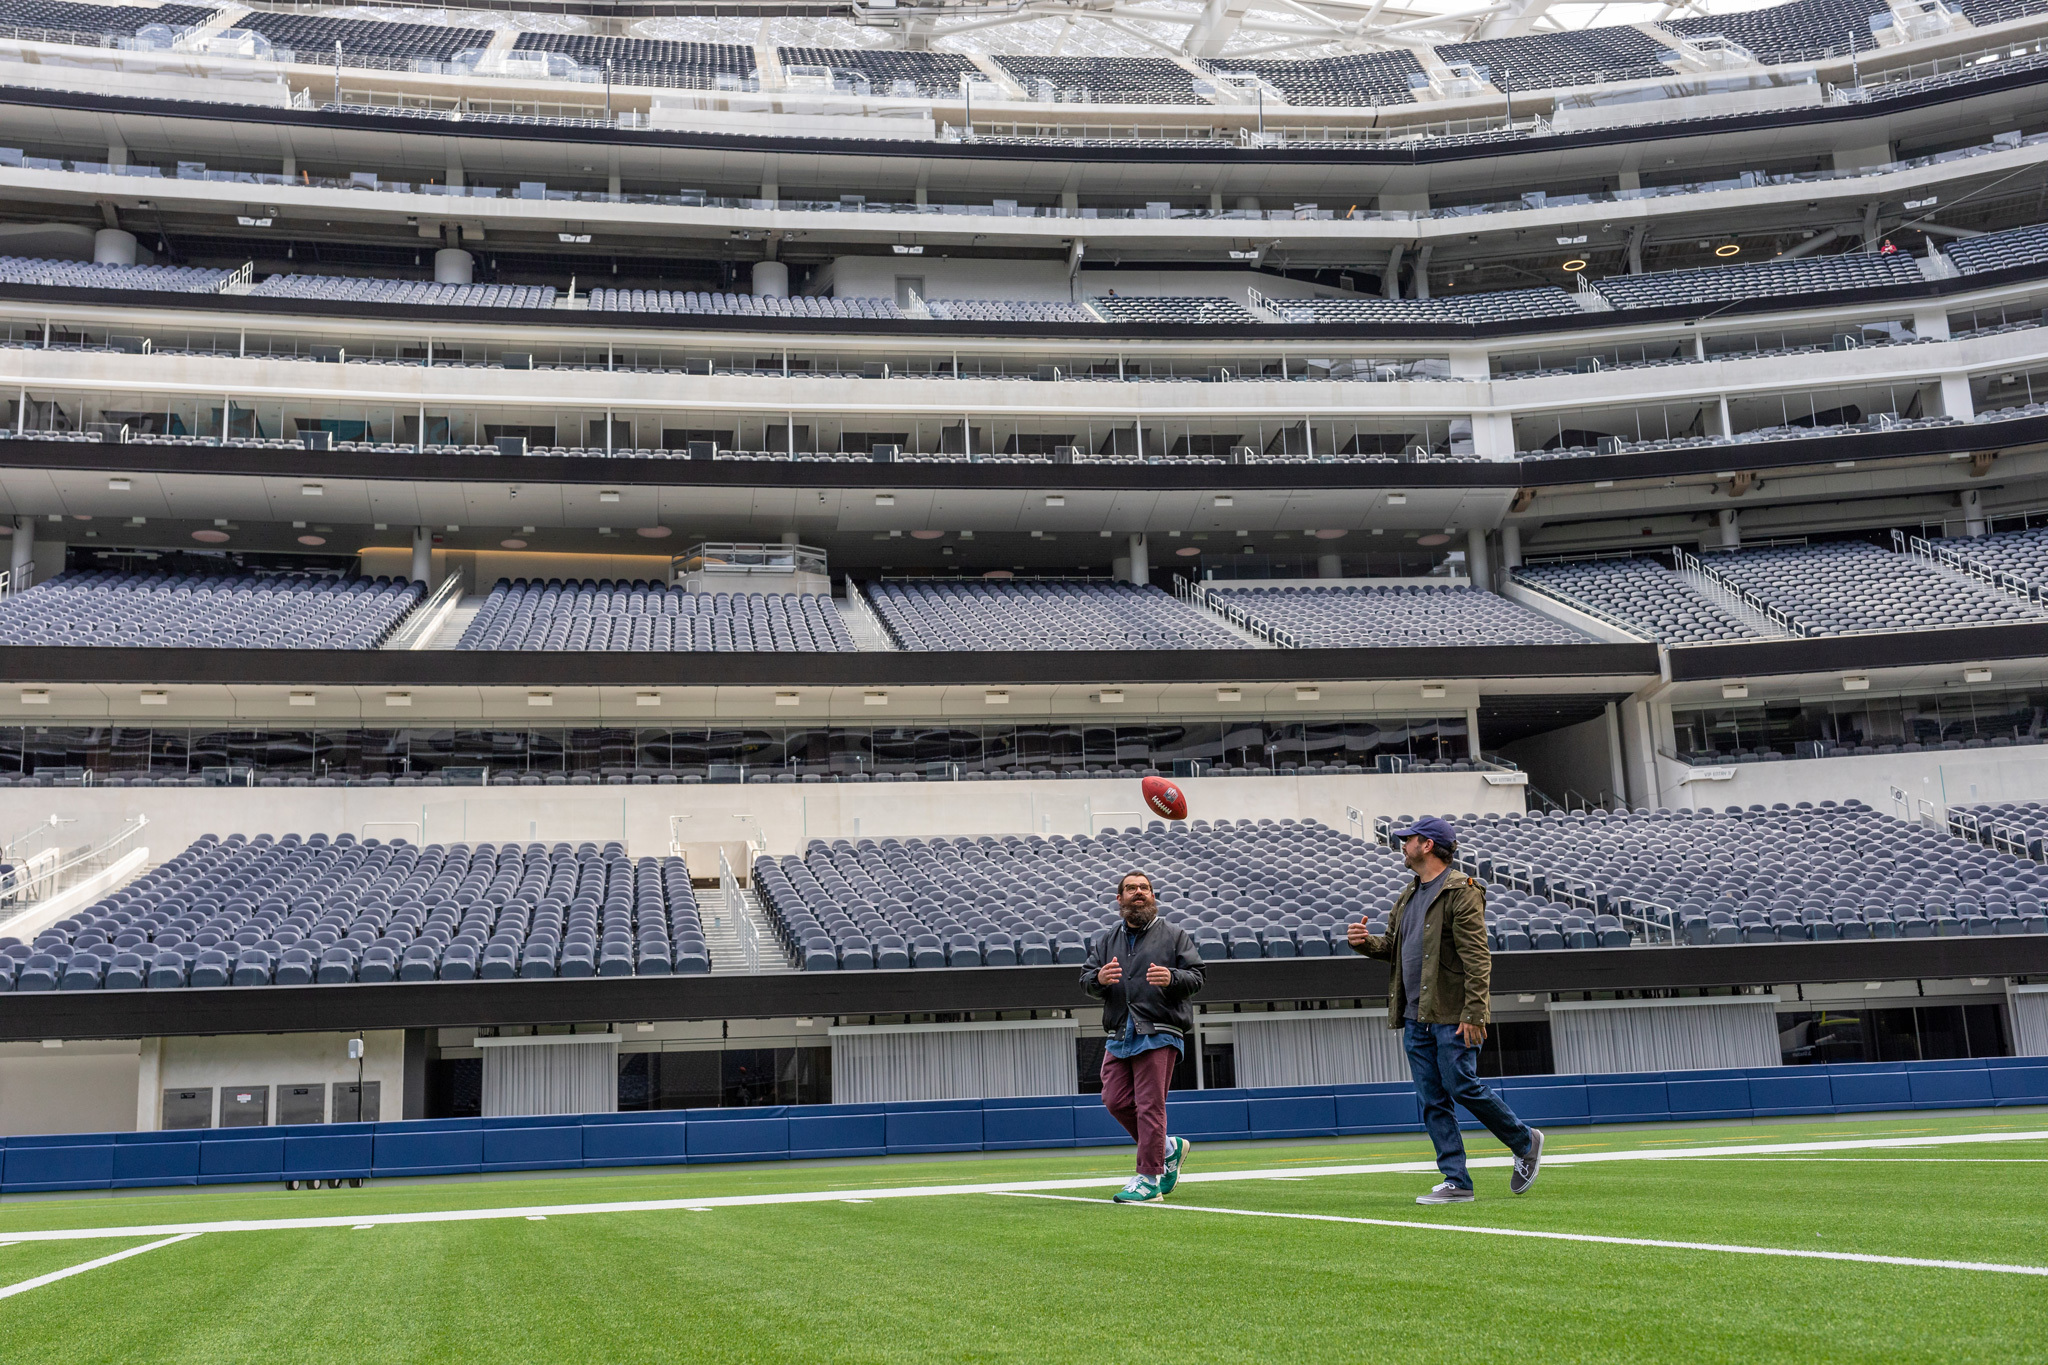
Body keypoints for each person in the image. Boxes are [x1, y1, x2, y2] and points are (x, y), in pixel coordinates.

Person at [1348, 816, 1545, 1204]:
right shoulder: (1408, 895)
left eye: (1409, 840)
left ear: (1427, 846)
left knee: (1461, 1085)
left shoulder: (1463, 891)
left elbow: (1477, 957)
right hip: (1414, 1017)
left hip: (1453, 1013)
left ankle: (1525, 1140)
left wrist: (1476, 1013)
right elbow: (1394, 947)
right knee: (1431, 1099)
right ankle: (1456, 1181)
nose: (1402, 845)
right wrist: (1365, 943)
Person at [1080, 870, 1204, 1204]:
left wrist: (1173, 977)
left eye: (1145, 888)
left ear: (1153, 896)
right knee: (1115, 1099)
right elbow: (1086, 979)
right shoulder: (1107, 939)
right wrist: (1099, 978)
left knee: (1150, 1104)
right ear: (1119, 899)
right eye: (1131, 888)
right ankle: (1166, 1148)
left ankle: (1149, 1178)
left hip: (1160, 1029)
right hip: (1121, 1030)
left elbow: (1197, 976)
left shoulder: (1174, 935)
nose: (1139, 892)